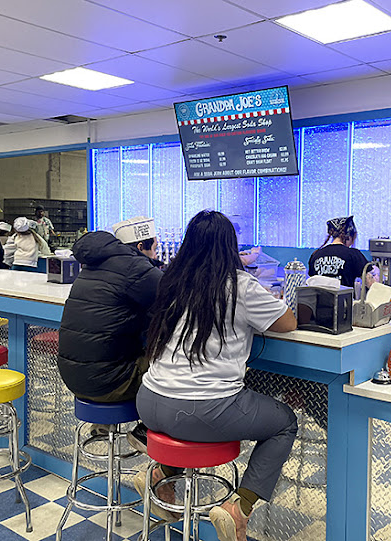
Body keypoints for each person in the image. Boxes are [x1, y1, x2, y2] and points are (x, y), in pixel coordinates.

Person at [135, 210, 298, 541]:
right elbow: (288, 323)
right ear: (230, 247)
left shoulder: (170, 280)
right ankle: (240, 507)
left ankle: (161, 474)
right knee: (284, 423)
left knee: (191, 420)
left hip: (149, 402)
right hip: (199, 410)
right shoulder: (241, 286)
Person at [56, 216, 161, 432]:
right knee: (172, 361)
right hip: (108, 385)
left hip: (73, 379)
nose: (156, 254)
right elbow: (176, 297)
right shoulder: (136, 267)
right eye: (154, 248)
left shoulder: (95, 264)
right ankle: (150, 432)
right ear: (141, 246)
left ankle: (104, 424)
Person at [308, 215, 377, 287]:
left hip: (319, 298)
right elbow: (371, 284)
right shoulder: (353, 254)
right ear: (349, 237)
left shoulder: (315, 255)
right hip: (343, 298)